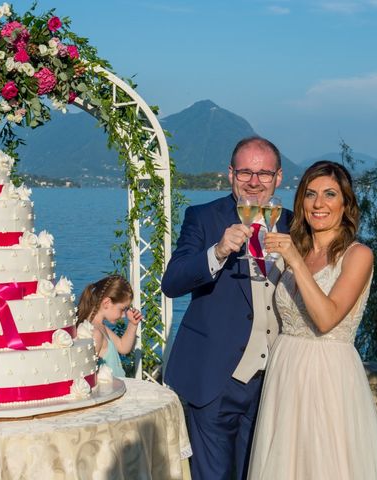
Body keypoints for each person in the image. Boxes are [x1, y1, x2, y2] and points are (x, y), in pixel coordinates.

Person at [248, 161, 377, 479]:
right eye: (310, 194)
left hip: (328, 376)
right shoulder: (296, 252)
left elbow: (326, 318)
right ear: (301, 201)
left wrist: (292, 259)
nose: (318, 203)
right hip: (285, 370)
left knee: (325, 463)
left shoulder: (358, 255)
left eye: (330, 194)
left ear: (345, 205)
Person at [162, 136, 293, 480]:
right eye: (245, 172)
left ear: (278, 177)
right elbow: (172, 282)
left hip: (276, 379)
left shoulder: (294, 224)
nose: (254, 182)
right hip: (215, 378)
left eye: (264, 173)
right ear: (230, 174)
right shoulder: (203, 217)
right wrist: (217, 252)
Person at [76, 275, 143, 378]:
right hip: (109, 391)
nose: (124, 315)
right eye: (122, 309)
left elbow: (123, 347)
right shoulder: (95, 333)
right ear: (106, 303)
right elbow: (86, 373)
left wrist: (133, 324)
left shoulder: (100, 327)